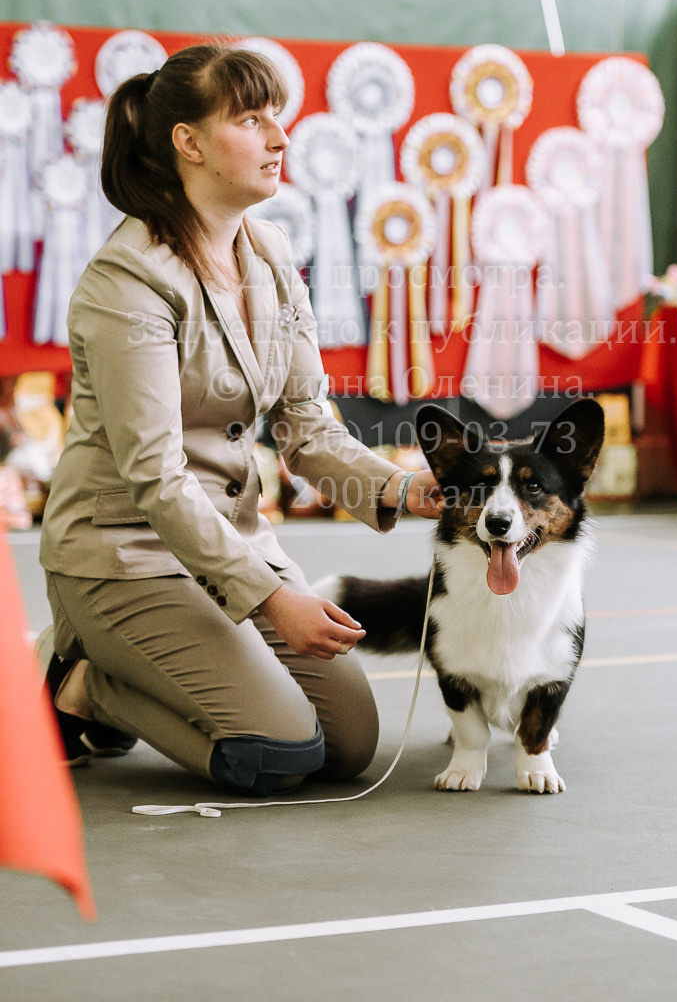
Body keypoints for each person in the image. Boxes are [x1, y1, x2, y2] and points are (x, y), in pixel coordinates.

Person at [38, 44, 442, 797]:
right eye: (252, 120)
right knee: (277, 753)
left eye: (276, 118)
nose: (279, 138)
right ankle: (84, 681)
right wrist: (270, 596)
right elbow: (156, 478)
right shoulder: (125, 281)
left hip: (228, 548)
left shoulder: (273, 252)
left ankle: (119, 674)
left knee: (349, 745)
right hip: (122, 555)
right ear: (187, 143)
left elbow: (306, 427)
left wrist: (398, 490)